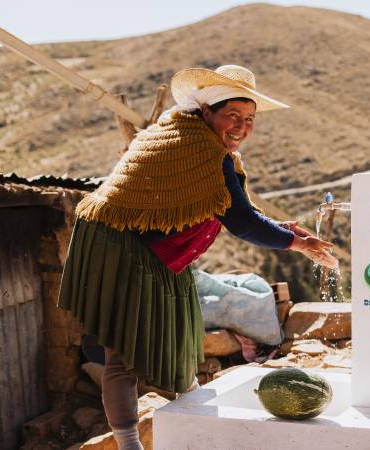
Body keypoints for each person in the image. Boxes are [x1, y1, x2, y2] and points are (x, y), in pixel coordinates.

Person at [58, 64, 337, 450]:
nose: (241, 126)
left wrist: (282, 229)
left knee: (180, 331)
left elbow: (236, 208)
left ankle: (193, 414)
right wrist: (298, 245)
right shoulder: (197, 147)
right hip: (122, 249)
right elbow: (238, 219)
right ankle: (129, 444)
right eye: (232, 115)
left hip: (156, 251)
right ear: (207, 111)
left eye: (250, 118)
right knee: (122, 355)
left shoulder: (193, 138)